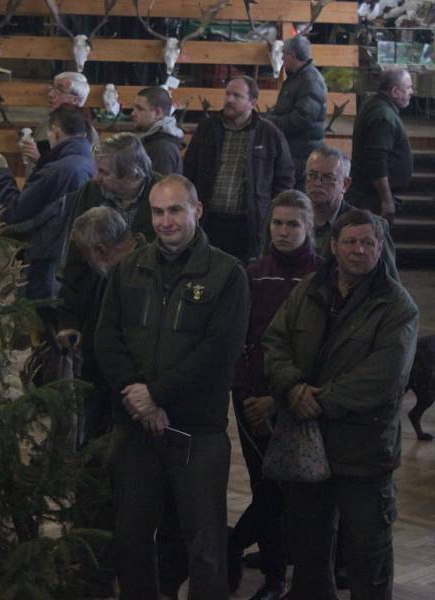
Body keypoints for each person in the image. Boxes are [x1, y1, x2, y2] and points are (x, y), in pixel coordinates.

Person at [95, 175, 249, 599]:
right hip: (135, 428)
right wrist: (138, 397)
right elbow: (107, 338)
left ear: (196, 211)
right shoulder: (130, 269)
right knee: (131, 539)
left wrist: (158, 395)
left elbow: (220, 351)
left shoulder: (227, 274)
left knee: (206, 545)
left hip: (197, 432)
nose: (166, 221)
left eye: (176, 210)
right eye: (158, 212)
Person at [263, 209, 419, 600]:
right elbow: (275, 343)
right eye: (350, 241)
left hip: (364, 453)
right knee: (310, 556)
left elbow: (383, 378)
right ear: (333, 246)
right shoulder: (309, 291)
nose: (358, 249)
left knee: (369, 557)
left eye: (368, 242)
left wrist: (319, 401)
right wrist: (292, 387)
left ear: (381, 248)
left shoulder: (398, 307)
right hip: (307, 446)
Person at [228, 191, 324, 600]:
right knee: (264, 487)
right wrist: (249, 395)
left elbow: (321, 350)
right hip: (251, 401)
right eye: (277, 224)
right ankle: (272, 575)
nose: (283, 232)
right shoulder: (253, 273)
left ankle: (232, 547)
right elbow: (241, 338)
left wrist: (278, 398)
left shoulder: (322, 276)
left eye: (293, 224)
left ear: (309, 227)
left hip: (296, 399)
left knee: (286, 491)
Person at [0, 105, 95, 301]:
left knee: (37, 322)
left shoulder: (60, 169)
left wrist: (1, 171)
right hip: (69, 262)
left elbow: (13, 213)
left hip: (44, 261)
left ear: (56, 132)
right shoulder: (89, 163)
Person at [59, 133, 159, 344]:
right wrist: (69, 320)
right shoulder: (92, 192)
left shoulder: (162, 196)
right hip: (95, 309)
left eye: (104, 172)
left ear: (132, 175)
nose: (96, 177)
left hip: (144, 318)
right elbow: (77, 257)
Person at [184, 75, 295, 263]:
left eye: (237, 96)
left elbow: (284, 178)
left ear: (252, 102)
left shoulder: (269, 133)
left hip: (247, 225)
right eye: (227, 94)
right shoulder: (208, 128)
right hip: (208, 221)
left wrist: (270, 213)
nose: (229, 100)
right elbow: (189, 170)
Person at [57, 206, 140, 443]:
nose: (85, 261)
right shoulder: (110, 272)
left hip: (123, 391)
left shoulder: (136, 276)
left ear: (101, 251)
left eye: (86, 255)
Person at [305, 145, 398, 279]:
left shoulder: (371, 227)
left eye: (327, 177)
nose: (317, 183)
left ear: (345, 184)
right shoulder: (289, 219)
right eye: (312, 175)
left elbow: (390, 283)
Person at [347, 68, 414, 223]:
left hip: (371, 195)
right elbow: (377, 160)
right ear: (395, 91)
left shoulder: (376, 105)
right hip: (372, 198)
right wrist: (387, 199)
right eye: (409, 87)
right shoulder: (383, 115)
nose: (412, 92)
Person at [265, 35, 327, 190]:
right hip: (296, 154)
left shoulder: (310, 81)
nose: (282, 60)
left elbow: (301, 120)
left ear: (292, 55)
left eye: (283, 55)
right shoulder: (298, 79)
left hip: (301, 157)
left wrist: (269, 121)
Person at [25, 71, 98, 163]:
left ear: (75, 99)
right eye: (52, 88)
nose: (50, 94)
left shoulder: (85, 131)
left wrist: (39, 160)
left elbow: (71, 169)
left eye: (59, 90)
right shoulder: (48, 120)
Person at [132, 86, 184, 176]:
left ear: (158, 113)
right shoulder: (155, 141)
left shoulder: (162, 149)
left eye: (140, 109)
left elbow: (159, 187)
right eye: (134, 108)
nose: (133, 113)